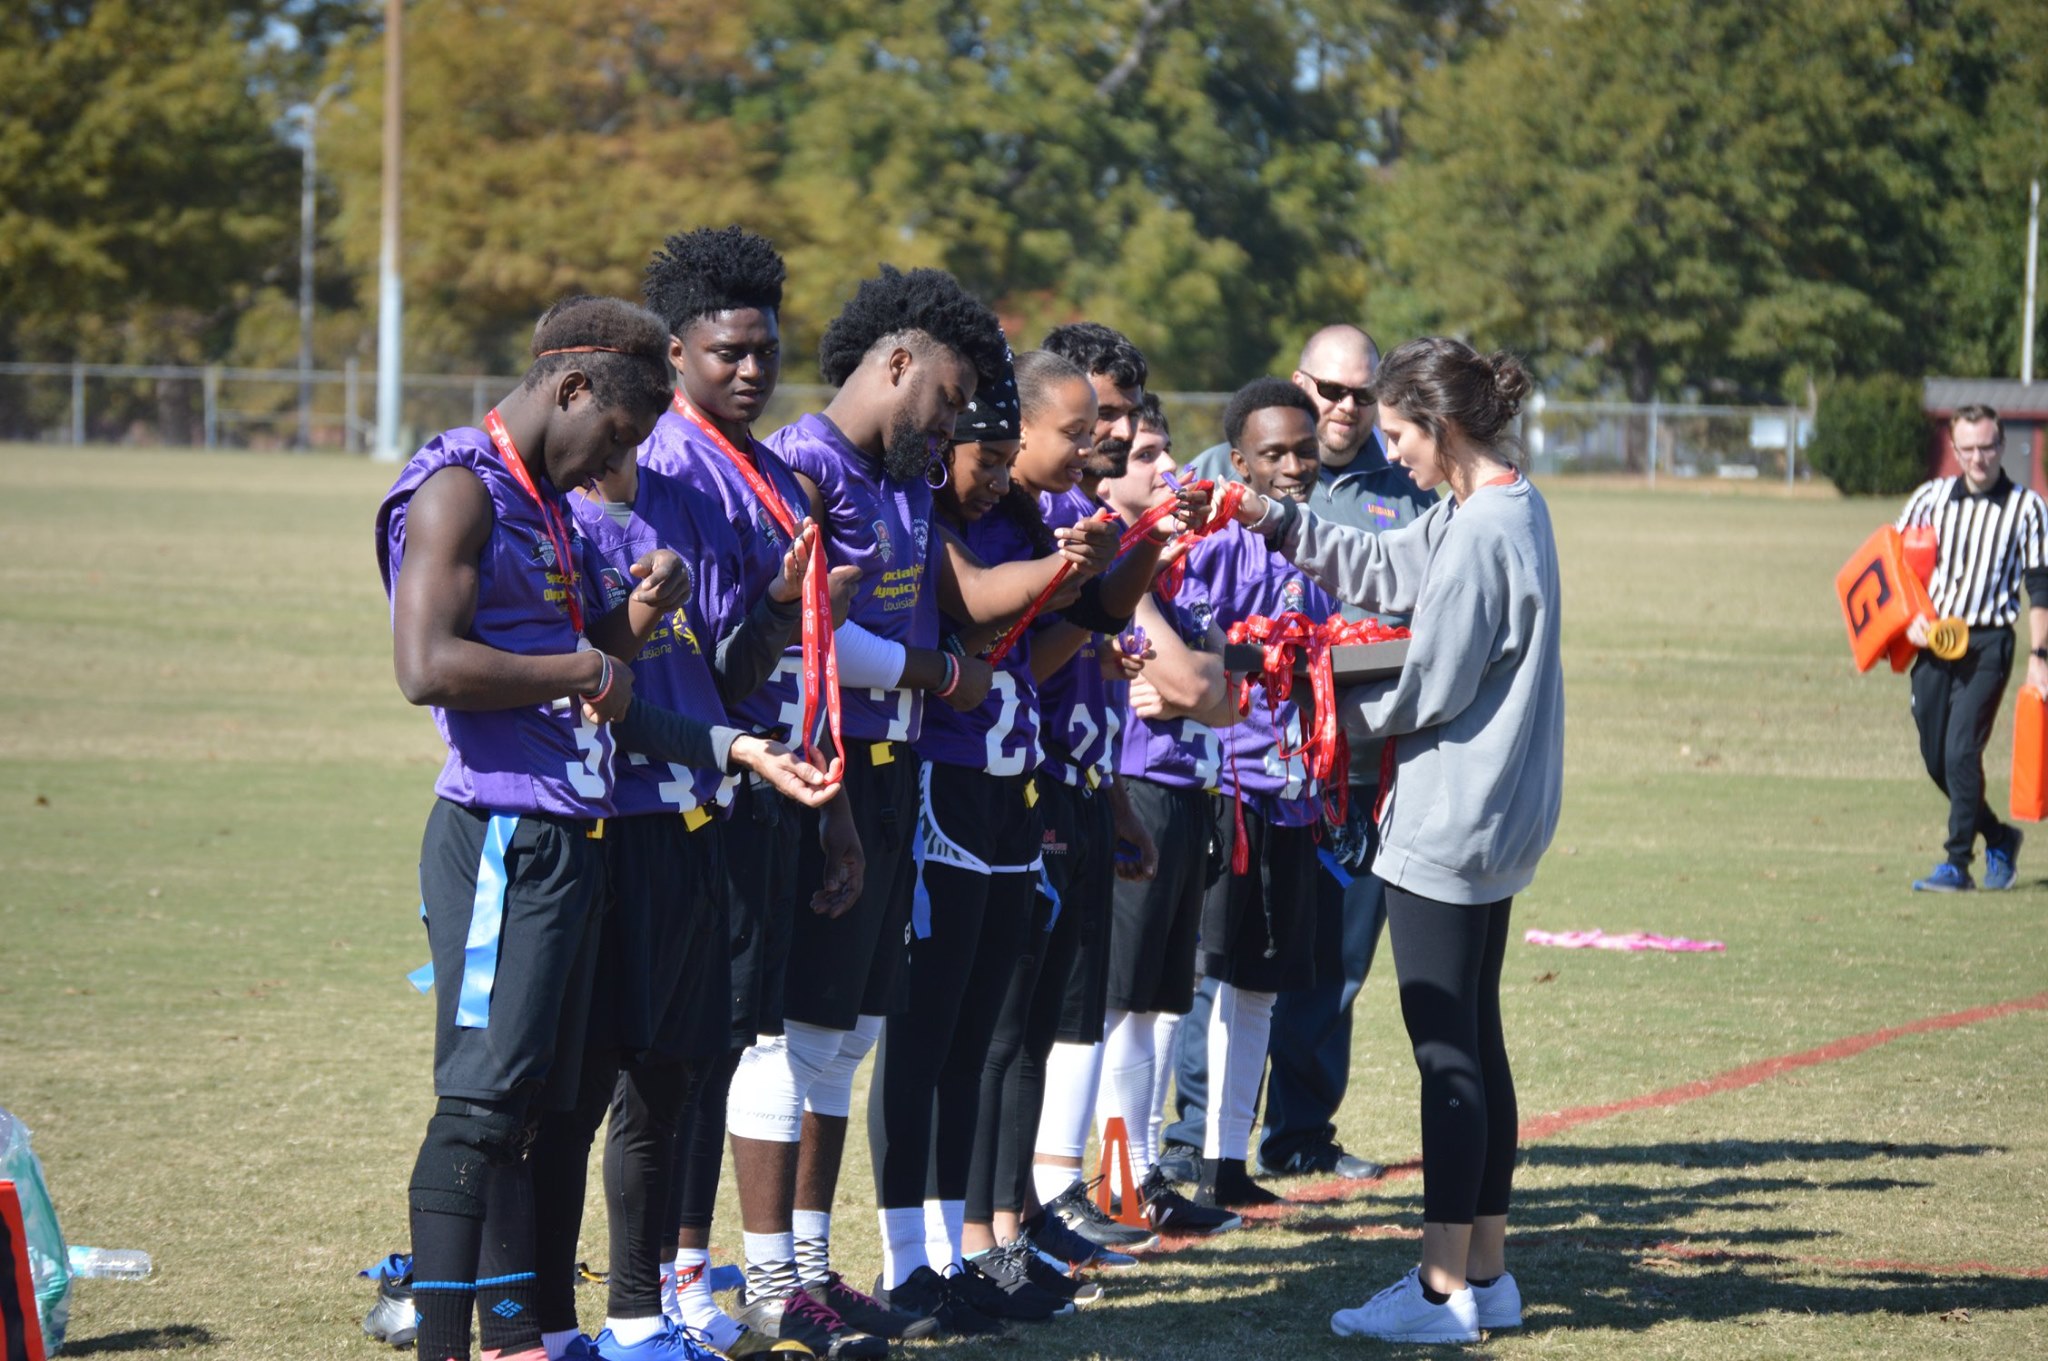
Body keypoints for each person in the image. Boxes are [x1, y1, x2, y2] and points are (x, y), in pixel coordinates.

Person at [1224, 337, 1560, 1344]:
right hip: (1492, 814)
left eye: (1402, 432)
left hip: (1453, 818)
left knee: (1444, 1051)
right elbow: (1381, 564)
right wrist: (1271, 518)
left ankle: (1435, 1288)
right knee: (1474, 1040)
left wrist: (1304, 695)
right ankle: (1485, 1274)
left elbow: (1430, 684)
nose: (1392, 450)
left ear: (1441, 428)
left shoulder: (1483, 528)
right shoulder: (1498, 506)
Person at [375, 296, 684, 1361]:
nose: (620, 457)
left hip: (567, 832)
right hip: (500, 833)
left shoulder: (537, 497)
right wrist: (584, 664)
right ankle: (442, 1348)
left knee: (531, 1104)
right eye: (621, 431)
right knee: (478, 1099)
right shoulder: (460, 487)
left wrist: (631, 624)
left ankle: (513, 1338)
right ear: (572, 388)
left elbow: (571, 660)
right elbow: (426, 666)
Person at [631, 226, 891, 1357]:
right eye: (726, 349)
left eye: (764, 348)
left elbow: (805, 666)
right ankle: (689, 1283)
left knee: (754, 1039)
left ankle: (760, 1279)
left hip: (788, 787)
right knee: (707, 1048)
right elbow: (705, 663)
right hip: (706, 793)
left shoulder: (779, 473)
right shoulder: (672, 469)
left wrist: (830, 808)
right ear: (678, 351)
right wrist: (782, 609)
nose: (749, 368)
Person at [537, 438, 845, 1361]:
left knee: (683, 1070)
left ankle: (652, 1308)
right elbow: (588, 680)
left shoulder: (684, 506)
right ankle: (538, 1318)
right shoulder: (559, 516)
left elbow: (725, 676)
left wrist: (782, 607)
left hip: (701, 819)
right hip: (615, 826)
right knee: (588, 1087)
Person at [1169, 323, 1430, 1182]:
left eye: (1363, 395)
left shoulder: (1410, 492)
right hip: (1238, 769)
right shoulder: (1214, 476)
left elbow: (1417, 615)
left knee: (1326, 967)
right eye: (1330, 392)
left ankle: (1298, 1131)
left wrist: (1334, 660)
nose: (1345, 411)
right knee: (1220, 966)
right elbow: (1183, 618)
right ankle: (1198, 1143)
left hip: (1348, 769)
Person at [956, 352, 1170, 1295]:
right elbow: (1026, 656)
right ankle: (980, 1235)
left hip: (1068, 787)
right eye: (1087, 427)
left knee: (1039, 1026)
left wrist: (1150, 536)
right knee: (995, 1032)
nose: (1104, 442)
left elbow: (1087, 625)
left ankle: (1015, 1220)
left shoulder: (1052, 517)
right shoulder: (1008, 518)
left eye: (1110, 428)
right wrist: (1070, 588)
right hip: (999, 788)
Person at [1160, 379, 1337, 1213]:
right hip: (1228, 785)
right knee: (1204, 979)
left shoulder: (1324, 541)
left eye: (1304, 448)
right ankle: (1178, 1153)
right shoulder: (1219, 541)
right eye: (1275, 452)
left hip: (1297, 793)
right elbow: (1192, 658)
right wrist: (1254, 654)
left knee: (1263, 984)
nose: (1295, 464)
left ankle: (1233, 1157)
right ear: (1239, 461)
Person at [1084, 408, 1244, 1239]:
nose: (1167, 463)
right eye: (1145, 454)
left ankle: (1141, 1176)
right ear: (1105, 476)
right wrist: (1199, 679)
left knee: (1158, 1005)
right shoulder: (1122, 562)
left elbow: (1222, 695)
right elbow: (1190, 685)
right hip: (1136, 785)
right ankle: (1114, 1182)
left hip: (1187, 789)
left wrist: (1202, 679)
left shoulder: (1179, 570)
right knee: (1121, 1003)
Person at [1895, 403, 2048, 892]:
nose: (1978, 458)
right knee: (1938, 761)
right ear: (1954, 449)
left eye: (1987, 447)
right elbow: (1895, 568)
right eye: (1968, 449)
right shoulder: (1929, 498)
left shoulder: (2028, 508)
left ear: (2001, 445)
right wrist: (1910, 620)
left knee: (1962, 752)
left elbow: (2040, 588)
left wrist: (2039, 658)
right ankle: (2000, 837)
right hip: (1933, 640)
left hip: (1987, 643)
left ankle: (1956, 864)